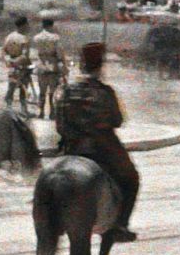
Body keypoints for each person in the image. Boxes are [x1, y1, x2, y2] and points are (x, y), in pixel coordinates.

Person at [53, 41, 140, 242]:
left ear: (82, 65)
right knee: (131, 178)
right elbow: (117, 120)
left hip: (73, 148)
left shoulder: (67, 91)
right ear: (99, 66)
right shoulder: (105, 91)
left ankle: (54, 218)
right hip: (102, 149)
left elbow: (59, 124)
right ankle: (120, 225)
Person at [30, 15, 66, 120]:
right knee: (52, 91)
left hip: (41, 64)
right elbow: (59, 52)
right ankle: (51, 112)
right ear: (51, 25)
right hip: (52, 64)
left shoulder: (37, 38)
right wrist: (62, 64)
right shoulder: (55, 38)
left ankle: (41, 112)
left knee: (42, 91)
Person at [0, 14, 32, 111]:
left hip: (12, 65)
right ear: (23, 25)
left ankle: (8, 108)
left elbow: (3, 51)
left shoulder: (9, 37)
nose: (28, 26)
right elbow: (25, 55)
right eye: (27, 24)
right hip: (22, 65)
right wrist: (17, 61)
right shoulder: (24, 38)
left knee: (11, 86)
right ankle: (24, 110)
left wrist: (8, 61)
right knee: (24, 88)